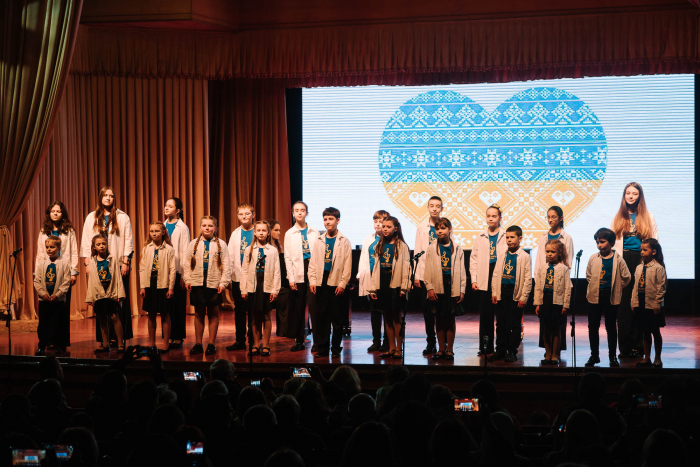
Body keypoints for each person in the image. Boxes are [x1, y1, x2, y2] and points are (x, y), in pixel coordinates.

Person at [80, 186, 134, 347]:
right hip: (97, 265)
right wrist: (87, 263)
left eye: (111, 195)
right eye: (105, 195)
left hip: (117, 265)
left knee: (117, 303)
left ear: (114, 198)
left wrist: (125, 262)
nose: (108, 198)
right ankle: (104, 340)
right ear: (100, 198)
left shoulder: (122, 216)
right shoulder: (91, 217)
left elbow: (128, 240)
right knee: (101, 304)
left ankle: (119, 340)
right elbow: (86, 241)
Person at [611, 182, 658, 360]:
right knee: (624, 305)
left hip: (641, 260)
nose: (631, 196)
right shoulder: (617, 217)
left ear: (640, 196)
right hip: (623, 260)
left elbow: (654, 241)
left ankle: (639, 346)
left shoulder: (648, 216)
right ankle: (625, 346)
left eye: (635, 193)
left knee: (639, 302)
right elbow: (611, 243)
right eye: (628, 193)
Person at [308, 207, 352, 359]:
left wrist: (342, 283)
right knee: (322, 318)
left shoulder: (344, 241)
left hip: (336, 282)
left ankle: (336, 348)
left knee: (337, 319)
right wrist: (312, 280)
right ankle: (323, 348)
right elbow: (313, 263)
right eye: (325, 219)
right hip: (321, 281)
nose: (327, 222)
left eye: (331, 219)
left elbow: (347, 265)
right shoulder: (319, 240)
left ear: (337, 220)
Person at [35, 201, 79, 351]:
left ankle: (61, 341)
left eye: (58, 211)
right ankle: (48, 340)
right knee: (47, 309)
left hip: (63, 271)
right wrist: (37, 273)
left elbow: (73, 251)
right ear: (49, 213)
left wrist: (73, 272)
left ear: (63, 214)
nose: (55, 213)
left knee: (62, 309)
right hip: (47, 271)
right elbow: (40, 253)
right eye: (53, 211)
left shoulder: (69, 231)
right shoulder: (44, 231)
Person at [184, 216, 232, 355]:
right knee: (199, 313)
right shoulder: (193, 243)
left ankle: (211, 344)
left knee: (213, 314)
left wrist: (223, 283)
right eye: (204, 225)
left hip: (214, 282)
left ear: (215, 228)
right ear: (200, 227)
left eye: (210, 226)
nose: (207, 228)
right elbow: (187, 263)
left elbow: (226, 265)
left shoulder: (221, 244)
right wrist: (187, 280)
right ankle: (198, 343)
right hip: (197, 282)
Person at [585, 228, 631, 368]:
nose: (599, 245)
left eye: (602, 242)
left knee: (610, 327)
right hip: (595, 296)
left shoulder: (618, 259)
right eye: (597, 242)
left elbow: (627, 277)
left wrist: (617, 287)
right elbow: (588, 275)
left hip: (610, 297)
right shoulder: (593, 258)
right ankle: (594, 355)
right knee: (593, 327)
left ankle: (612, 357)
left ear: (611, 242)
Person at [534, 206, 574, 361]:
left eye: (554, 217)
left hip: (558, 286)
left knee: (557, 326)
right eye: (548, 217)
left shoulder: (566, 237)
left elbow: (568, 259)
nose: (550, 220)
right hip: (545, 285)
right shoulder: (543, 236)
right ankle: (548, 352)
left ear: (561, 218)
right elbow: (539, 259)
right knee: (545, 326)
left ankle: (556, 353)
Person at [423, 218, 466, 361]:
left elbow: (462, 271)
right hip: (437, 286)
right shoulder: (431, 248)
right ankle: (441, 349)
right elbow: (427, 270)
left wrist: (462, 289)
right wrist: (429, 288)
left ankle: (450, 350)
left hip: (452, 286)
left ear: (450, 229)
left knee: (450, 318)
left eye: (443, 228)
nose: (440, 231)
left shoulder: (457, 248)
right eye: (437, 229)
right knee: (439, 318)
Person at [413, 196, 452, 355]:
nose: (434, 208)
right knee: (428, 311)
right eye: (431, 206)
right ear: (428, 207)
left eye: (437, 206)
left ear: (442, 208)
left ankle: (445, 344)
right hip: (425, 273)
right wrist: (416, 275)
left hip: (443, 273)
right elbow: (417, 250)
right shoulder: (422, 227)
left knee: (443, 311)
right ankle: (431, 342)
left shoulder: (445, 225)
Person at [368, 216, 410, 359]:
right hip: (382, 283)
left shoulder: (402, 246)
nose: (385, 229)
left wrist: (404, 287)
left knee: (397, 318)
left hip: (395, 283)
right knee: (387, 318)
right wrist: (373, 288)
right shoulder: (379, 244)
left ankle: (399, 348)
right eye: (384, 226)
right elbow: (375, 269)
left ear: (396, 228)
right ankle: (391, 347)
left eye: (388, 227)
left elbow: (406, 268)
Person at [490, 225, 532, 363]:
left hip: (516, 293)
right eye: (507, 237)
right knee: (501, 324)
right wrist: (495, 293)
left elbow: (527, 279)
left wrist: (524, 297)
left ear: (520, 238)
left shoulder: (525, 256)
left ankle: (512, 351)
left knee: (514, 324)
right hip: (502, 292)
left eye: (512, 237)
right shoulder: (502, 254)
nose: (509, 240)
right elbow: (496, 274)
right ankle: (500, 350)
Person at [284, 201, 320, 352]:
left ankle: (318, 341)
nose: (299, 212)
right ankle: (299, 340)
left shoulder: (314, 231)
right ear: (293, 213)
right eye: (296, 210)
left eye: (302, 210)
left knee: (315, 307)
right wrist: (291, 278)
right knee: (298, 308)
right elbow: (287, 257)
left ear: (307, 213)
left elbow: (319, 254)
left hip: (313, 270)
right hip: (297, 271)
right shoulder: (289, 233)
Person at [240, 220, 281, 357]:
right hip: (253, 286)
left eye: (264, 230)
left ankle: (266, 345)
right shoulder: (249, 249)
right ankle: (256, 344)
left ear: (268, 233)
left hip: (267, 286)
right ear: (255, 233)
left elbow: (277, 271)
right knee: (255, 316)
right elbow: (244, 270)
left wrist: (275, 289)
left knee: (266, 316)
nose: (261, 233)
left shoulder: (273, 250)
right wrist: (244, 289)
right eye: (259, 230)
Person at [470, 204, 505, 356]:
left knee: (502, 316)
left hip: (500, 277)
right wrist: (474, 279)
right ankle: (486, 347)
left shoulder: (505, 235)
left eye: (494, 216)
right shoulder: (480, 236)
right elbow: (474, 259)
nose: (491, 219)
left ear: (500, 218)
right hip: (485, 277)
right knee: (485, 316)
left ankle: (502, 348)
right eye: (488, 216)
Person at [139, 221, 176, 353]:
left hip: (163, 284)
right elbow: (142, 268)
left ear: (163, 232)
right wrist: (142, 286)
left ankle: (166, 343)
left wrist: (170, 288)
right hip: (150, 284)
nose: (154, 234)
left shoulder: (169, 249)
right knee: (151, 314)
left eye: (157, 231)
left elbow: (172, 269)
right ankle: (151, 343)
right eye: (152, 231)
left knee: (165, 314)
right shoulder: (146, 249)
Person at [356, 210, 390, 352]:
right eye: (375, 221)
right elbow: (363, 260)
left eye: (381, 221)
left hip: (386, 281)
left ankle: (388, 341)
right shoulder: (369, 239)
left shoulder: (390, 240)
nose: (377, 224)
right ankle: (376, 341)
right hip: (371, 281)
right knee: (375, 311)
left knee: (388, 312)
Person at [86, 234, 126, 353]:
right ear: (94, 247)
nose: (101, 246)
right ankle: (105, 344)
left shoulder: (112, 259)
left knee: (114, 317)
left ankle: (120, 344)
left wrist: (120, 294)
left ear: (107, 244)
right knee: (102, 318)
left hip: (110, 292)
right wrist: (90, 297)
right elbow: (91, 280)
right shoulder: (92, 261)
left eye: (103, 243)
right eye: (98, 244)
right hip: (99, 293)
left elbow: (118, 277)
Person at [631, 238, 667, 368]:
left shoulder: (658, 268)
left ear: (653, 251)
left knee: (655, 331)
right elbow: (636, 286)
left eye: (645, 250)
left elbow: (661, 287)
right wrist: (633, 302)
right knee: (645, 332)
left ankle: (657, 358)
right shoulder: (639, 267)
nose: (641, 252)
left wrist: (657, 304)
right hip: (641, 304)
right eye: (641, 250)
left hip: (653, 306)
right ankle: (647, 357)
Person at [33, 236, 71, 356]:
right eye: (47, 247)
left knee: (58, 323)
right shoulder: (42, 265)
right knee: (43, 324)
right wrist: (43, 294)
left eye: (52, 247)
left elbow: (66, 282)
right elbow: (37, 281)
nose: (49, 249)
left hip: (58, 300)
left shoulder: (64, 264)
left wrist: (57, 295)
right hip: (44, 300)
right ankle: (42, 345)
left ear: (59, 248)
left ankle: (59, 345)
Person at [225, 203, 256, 352]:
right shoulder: (235, 234)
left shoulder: (258, 231)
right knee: (239, 310)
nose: (244, 216)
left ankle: (254, 340)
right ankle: (240, 340)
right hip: (238, 277)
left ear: (253, 215)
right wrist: (230, 276)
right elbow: (230, 256)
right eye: (241, 214)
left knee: (254, 310)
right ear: (237, 216)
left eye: (247, 213)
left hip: (254, 277)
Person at [163, 197, 191, 350]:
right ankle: (168, 336)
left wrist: (184, 275)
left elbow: (185, 251)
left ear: (178, 210)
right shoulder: (162, 225)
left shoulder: (182, 227)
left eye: (170, 206)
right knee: (167, 306)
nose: (166, 208)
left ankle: (178, 336)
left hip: (178, 271)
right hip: (164, 272)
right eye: (166, 205)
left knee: (178, 305)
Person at [267, 220, 291, 338]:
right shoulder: (265, 247)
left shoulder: (278, 246)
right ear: (269, 231)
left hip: (281, 283)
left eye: (279, 230)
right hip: (268, 283)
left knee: (285, 297)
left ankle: (283, 331)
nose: (279, 232)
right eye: (276, 230)